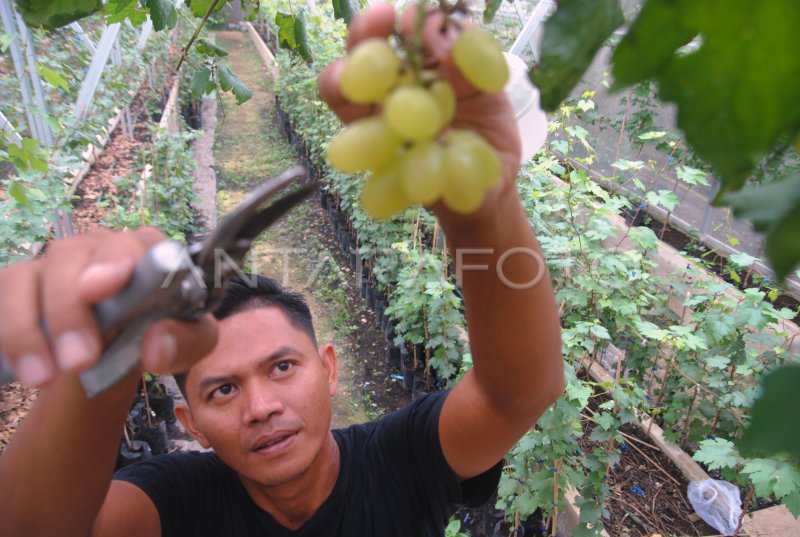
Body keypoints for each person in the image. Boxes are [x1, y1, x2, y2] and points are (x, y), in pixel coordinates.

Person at [0, 4, 564, 536]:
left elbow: (514, 394)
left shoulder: (403, 458)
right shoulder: (172, 502)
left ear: (329, 369)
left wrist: (484, 215)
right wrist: (105, 355)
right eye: (221, 390)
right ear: (187, 422)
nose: (261, 408)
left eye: (282, 367)